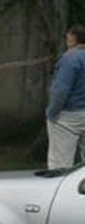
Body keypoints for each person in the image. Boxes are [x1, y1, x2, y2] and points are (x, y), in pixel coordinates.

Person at [47, 25, 85, 169]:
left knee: (60, 163)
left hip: (68, 115)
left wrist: (52, 112)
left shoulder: (69, 59)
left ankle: (60, 189)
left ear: (73, 38)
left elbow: (62, 89)